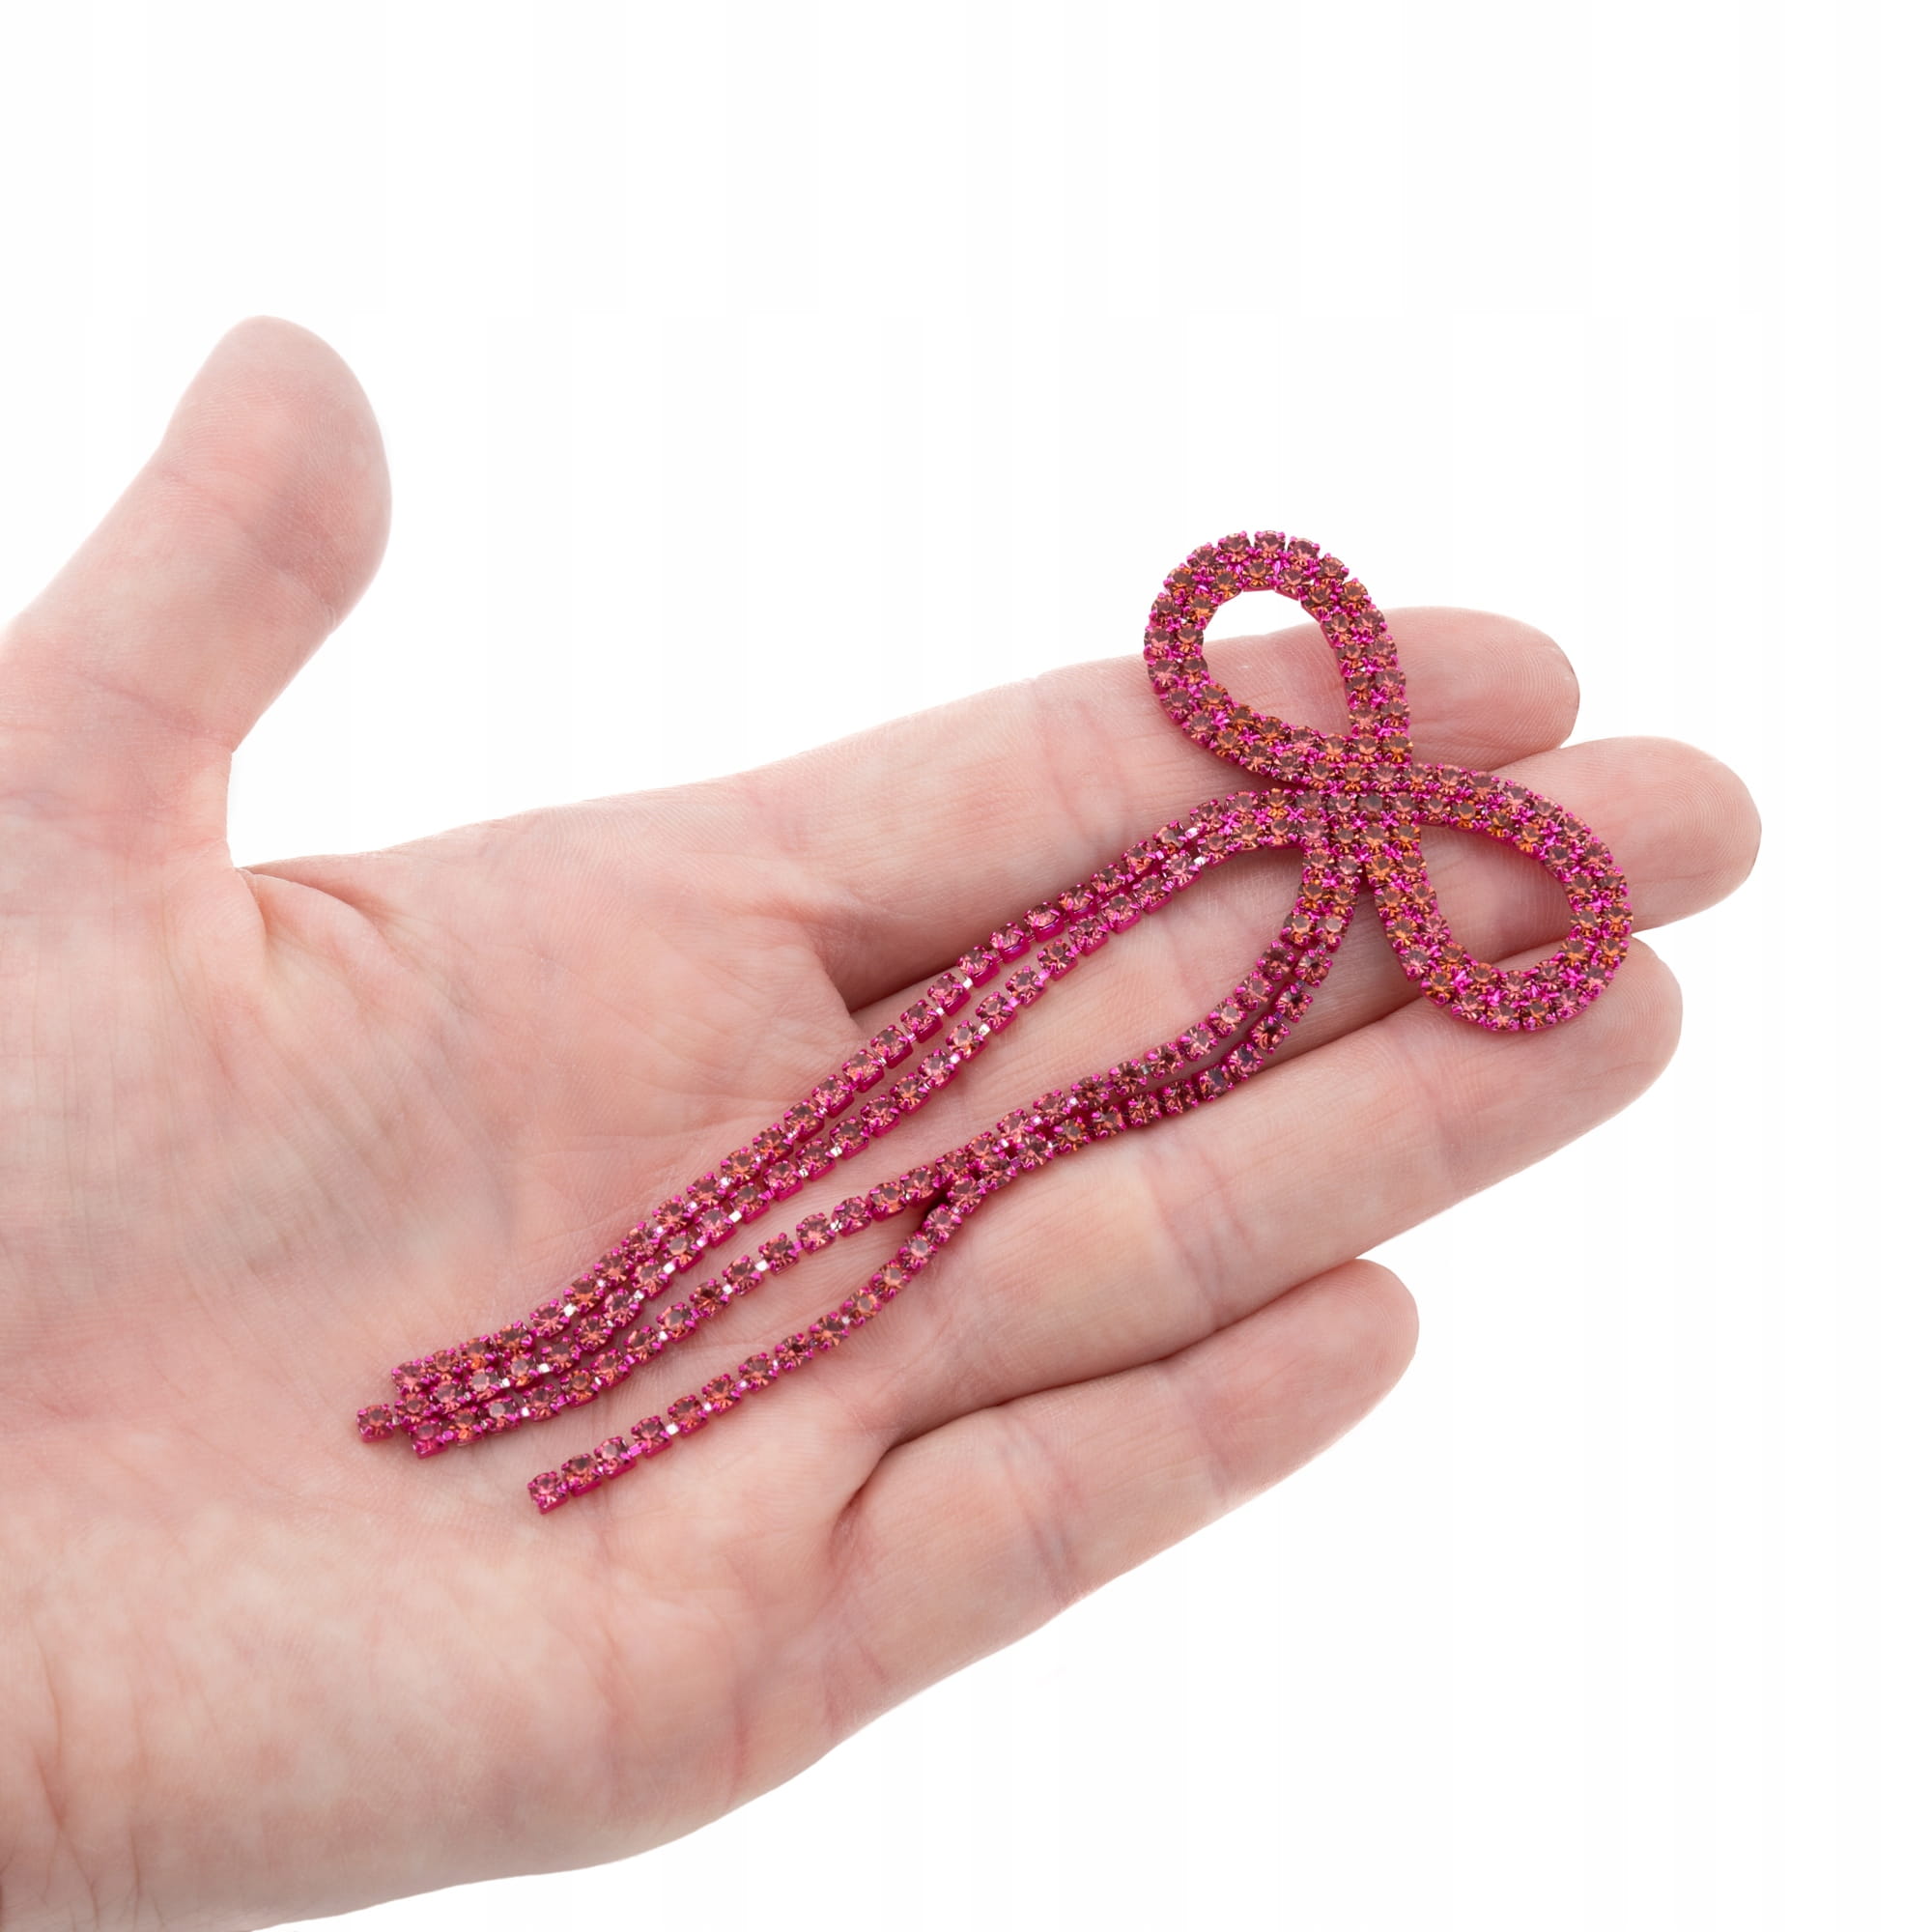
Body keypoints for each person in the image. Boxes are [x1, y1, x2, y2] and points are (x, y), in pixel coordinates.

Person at [0, 318, 1760, 1929]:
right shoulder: (1298, 828)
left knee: (928, 1172)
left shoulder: (1316, 842)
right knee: (871, 1149)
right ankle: (547, 1371)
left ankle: (563, 1378)